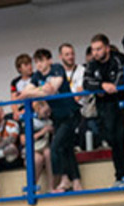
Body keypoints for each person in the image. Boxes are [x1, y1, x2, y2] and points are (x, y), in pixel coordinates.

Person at [22, 48, 83, 193]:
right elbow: (25, 93)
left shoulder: (57, 68)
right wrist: (42, 89)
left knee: (56, 147)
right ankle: (76, 181)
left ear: (49, 60)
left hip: (70, 113)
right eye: (36, 62)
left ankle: (64, 179)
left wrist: (37, 91)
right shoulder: (37, 75)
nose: (39, 65)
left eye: (42, 61)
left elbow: (52, 89)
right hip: (57, 117)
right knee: (65, 148)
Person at [84, 34, 124, 186]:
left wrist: (108, 87)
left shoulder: (119, 59)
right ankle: (120, 176)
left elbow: (121, 80)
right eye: (93, 49)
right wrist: (101, 86)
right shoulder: (92, 64)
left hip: (123, 104)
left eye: (99, 49)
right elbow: (87, 82)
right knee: (113, 140)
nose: (95, 53)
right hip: (105, 107)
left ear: (107, 48)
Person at [9, 54, 35, 121]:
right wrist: (16, 112)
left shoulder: (36, 77)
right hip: (22, 107)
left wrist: (25, 111)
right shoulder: (15, 82)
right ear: (19, 68)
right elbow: (13, 100)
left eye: (30, 64)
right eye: (26, 65)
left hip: (35, 107)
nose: (30, 67)